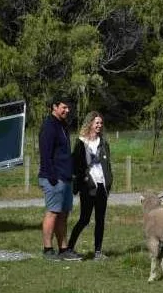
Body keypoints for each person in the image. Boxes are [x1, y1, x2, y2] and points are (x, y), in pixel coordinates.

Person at [66, 111, 113, 260]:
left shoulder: (103, 143)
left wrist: (109, 181)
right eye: (97, 122)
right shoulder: (81, 142)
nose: (99, 125)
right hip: (88, 186)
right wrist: (82, 180)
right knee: (84, 219)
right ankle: (69, 248)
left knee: (100, 220)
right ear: (90, 123)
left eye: (101, 123)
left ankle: (98, 252)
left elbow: (107, 164)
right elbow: (75, 165)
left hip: (102, 185)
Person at [38, 96, 81, 261]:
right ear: (54, 107)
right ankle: (47, 249)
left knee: (63, 214)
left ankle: (64, 249)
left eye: (68, 108)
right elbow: (45, 154)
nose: (67, 110)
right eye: (64, 107)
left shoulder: (62, 125)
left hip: (65, 177)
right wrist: (52, 177)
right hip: (54, 178)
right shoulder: (49, 126)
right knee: (52, 213)